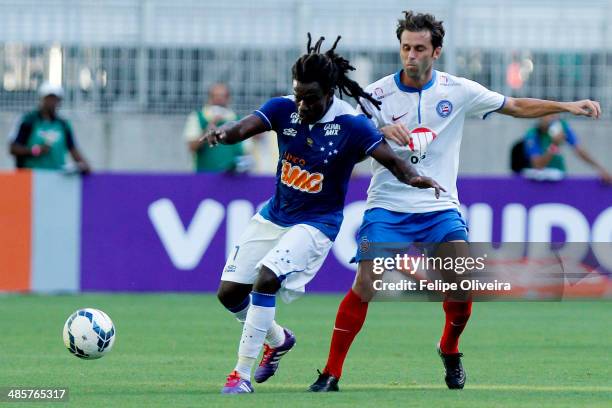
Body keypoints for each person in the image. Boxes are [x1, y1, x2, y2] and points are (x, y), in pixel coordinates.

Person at [309, 10, 601, 392]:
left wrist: (566, 107)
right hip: (387, 206)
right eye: (405, 48)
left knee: (462, 285)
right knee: (367, 282)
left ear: (437, 51)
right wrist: (379, 133)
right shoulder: (376, 95)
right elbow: (350, 150)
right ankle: (331, 373)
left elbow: (513, 105)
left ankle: (449, 347)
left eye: (419, 48)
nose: (411, 56)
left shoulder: (458, 90)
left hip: (438, 207)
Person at [200, 34, 444, 394]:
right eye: (298, 94)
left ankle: (241, 375)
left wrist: (415, 177)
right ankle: (279, 339)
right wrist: (223, 134)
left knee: (267, 278)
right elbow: (244, 127)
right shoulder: (283, 108)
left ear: (329, 92)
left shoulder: (352, 125)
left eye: (310, 98)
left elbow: (392, 162)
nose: (302, 104)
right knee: (228, 294)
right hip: (274, 215)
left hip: (317, 224)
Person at [9, 82, 90, 173]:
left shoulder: (63, 124)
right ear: (41, 99)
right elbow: (13, 148)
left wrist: (85, 165)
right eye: (49, 98)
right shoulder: (28, 121)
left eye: (56, 99)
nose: (52, 102)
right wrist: (36, 150)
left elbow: (72, 148)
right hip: (31, 178)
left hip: (56, 177)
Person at [520, 114, 611, 182]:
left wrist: (600, 169)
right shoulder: (532, 134)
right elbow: (538, 165)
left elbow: (580, 150)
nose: (553, 118)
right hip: (539, 183)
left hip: (559, 178)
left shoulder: (562, 126)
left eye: (555, 113)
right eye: (549, 114)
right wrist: (554, 146)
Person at [183, 83, 246, 172]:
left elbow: (246, 152)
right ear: (209, 98)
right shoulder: (198, 117)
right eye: (215, 96)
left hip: (233, 180)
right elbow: (192, 147)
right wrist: (207, 130)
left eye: (222, 96)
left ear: (228, 99)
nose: (219, 100)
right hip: (204, 176)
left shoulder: (238, 120)